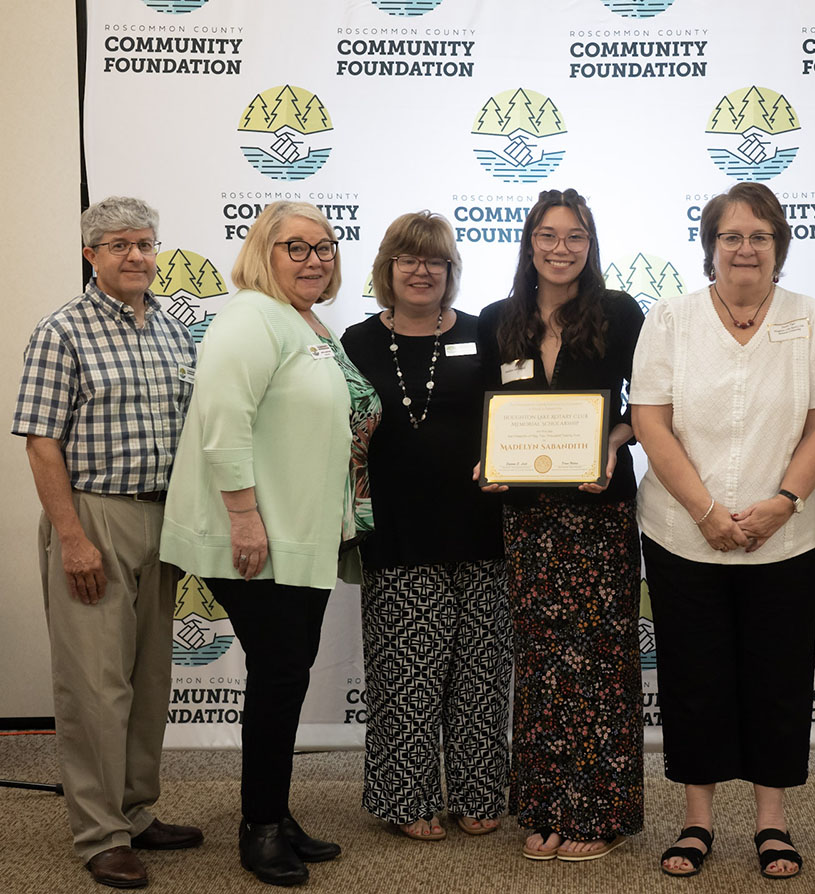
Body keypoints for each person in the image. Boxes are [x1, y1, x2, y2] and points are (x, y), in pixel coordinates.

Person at [631, 181, 815, 881]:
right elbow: (650, 420)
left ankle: (771, 822)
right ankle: (697, 820)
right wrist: (704, 511)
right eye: (732, 236)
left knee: (776, 678)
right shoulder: (668, 319)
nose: (746, 248)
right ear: (710, 246)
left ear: (779, 245)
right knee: (694, 677)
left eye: (760, 235)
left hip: (784, 533)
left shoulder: (813, 319)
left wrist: (783, 501)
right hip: (680, 530)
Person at [160, 201, 380, 886]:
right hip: (260, 537)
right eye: (296, 247)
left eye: (325, 246)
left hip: (299, 534)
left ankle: (274, 814)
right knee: (281, 677)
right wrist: (245, 519)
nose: (315, 258)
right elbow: (224, 424)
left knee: (282, 680)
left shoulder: (304, 320)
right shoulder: (249, 316)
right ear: (263, 250)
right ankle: (258, 830)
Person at [12, 196, 203, 888]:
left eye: (146, 243)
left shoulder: (175, 330)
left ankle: (137, 810)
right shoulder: (62, 331)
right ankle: (100, 833)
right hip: (94, 516)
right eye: (119, 244)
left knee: (149, 678)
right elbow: (41, 443)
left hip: (165, 515)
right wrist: (72, 538)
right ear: (91, 254)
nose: (136, 256)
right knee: (94, 683)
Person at [475, 187, 645, 862]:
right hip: (527, 518)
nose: (560, 248)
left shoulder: (621, 313)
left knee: (600, 662)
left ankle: (597, 812)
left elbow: (651, 406)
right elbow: (488, 417)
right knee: (542, 661)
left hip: (599, 511)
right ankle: (545, 807)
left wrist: (615, 441)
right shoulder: (497, 319)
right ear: (529, 242)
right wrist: (486, 463)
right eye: (548, 235)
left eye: (574, 236)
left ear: (590, 245)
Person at [341, 211, 510, 842]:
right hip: (399, 531)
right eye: (408, 259)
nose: (421, 270)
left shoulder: (485, 335)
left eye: (434, 260)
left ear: (450, 271)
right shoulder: (354, 342)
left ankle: (479, 792)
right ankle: (406, 797)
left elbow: (518, 416)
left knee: (482, 672)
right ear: (387, 269)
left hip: (483, 527)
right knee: (404, 673)